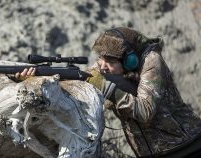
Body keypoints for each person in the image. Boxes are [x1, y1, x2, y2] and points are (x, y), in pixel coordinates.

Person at [14, 27, 201, 157]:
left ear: (130, 62)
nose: (102, 67)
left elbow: (145, 112)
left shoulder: (152, 62)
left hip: (186, 147)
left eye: (110, 63)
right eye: (100, 59)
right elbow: (76, 84)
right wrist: (34, 80)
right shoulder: (104, 66)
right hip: (151, 152)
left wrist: (106, 87)